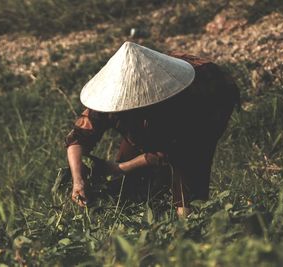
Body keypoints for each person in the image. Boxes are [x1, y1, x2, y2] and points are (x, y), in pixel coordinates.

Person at [65, 41, 240, 217]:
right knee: (131, 179)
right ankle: (145, 209)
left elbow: (174, 152)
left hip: (211, 92)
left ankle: (190, 227)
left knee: (190, 170)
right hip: (166, 105)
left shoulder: (176, 101)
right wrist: (78, 180)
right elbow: (78, 138)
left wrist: (122, 167)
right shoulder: (108, 100)